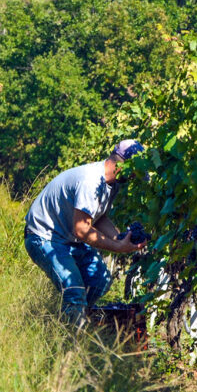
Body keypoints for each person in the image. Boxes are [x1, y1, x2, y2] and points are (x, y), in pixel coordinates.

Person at [23, 139, 147, 326]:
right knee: (74, 290)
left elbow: (99, 217)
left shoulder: (112, 184)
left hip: (67, 238)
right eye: (135, 172)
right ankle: (71, 342)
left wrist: (119, 237)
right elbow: (81, 229)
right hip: (44, 236)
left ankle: (69, 318)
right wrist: (117, 247)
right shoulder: (91, 181)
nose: (134, 178)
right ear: (123, 164)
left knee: (100, 281)